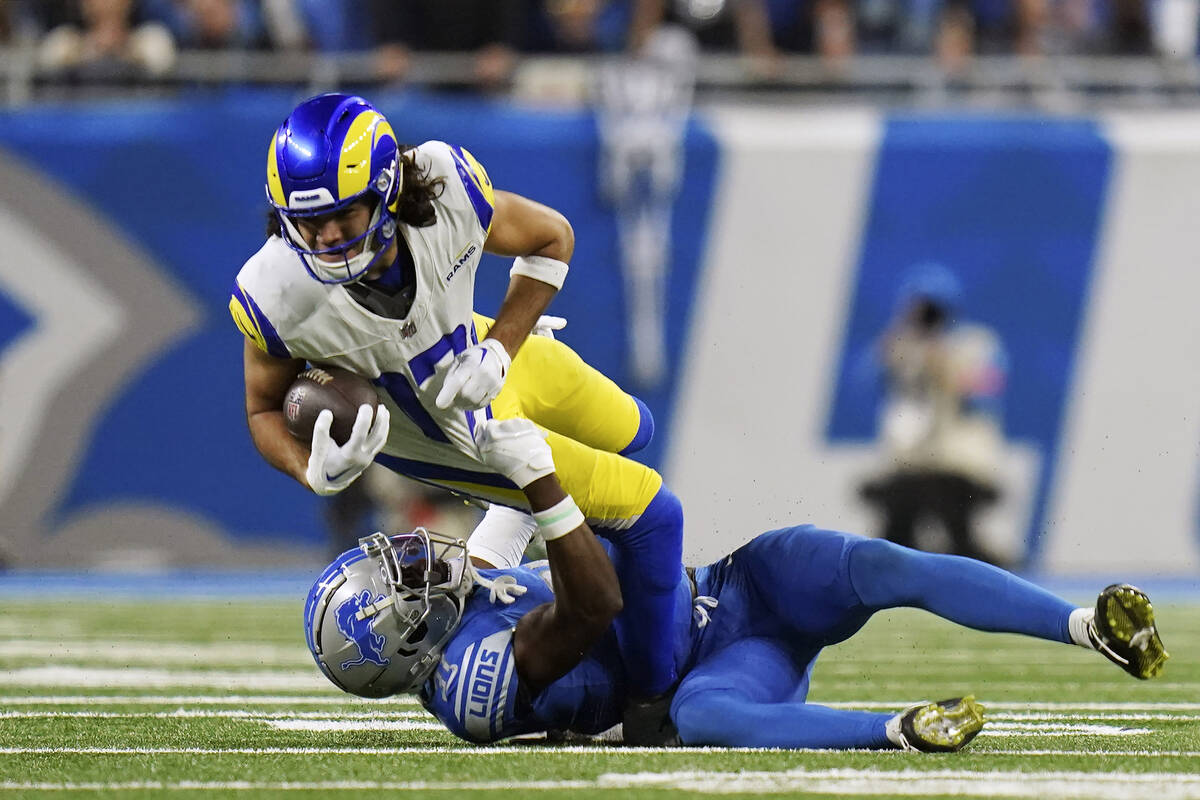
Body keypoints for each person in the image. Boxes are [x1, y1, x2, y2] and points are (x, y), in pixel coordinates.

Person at [304, 416, 1170, 750]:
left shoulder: (454, 616)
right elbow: (594, 600)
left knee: (876, 565)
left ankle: (1084, 625)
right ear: (409, 643)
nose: (413, 557)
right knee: (702, 718)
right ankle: (900, 730)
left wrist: (510, 424)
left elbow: (506, 532)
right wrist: (546, 491)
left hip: (733, 589)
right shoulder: (471, 685)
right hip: (700, 670)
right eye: (401, 584)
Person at [230, 93, 682, 713]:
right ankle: (653, 702)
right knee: (655, 516)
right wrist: (309, 470)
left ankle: (495, 552)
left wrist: (501, 345)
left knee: (637, 429)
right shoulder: (277, 292)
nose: (328, 238)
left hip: (487, 355)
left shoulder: (443, 187)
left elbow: (552, 238)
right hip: (455, 435)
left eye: (344, 215)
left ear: (387, 190)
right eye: (309, 224)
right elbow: (262, 410)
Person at [858, 263, 1010, 566]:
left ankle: (987, 573)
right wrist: (892, 352)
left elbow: (987, 389)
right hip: (910, 466)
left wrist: (945, 363)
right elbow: (865, 382)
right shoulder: (902, 348)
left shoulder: (972, 343)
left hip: (958, 465)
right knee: (894, 537)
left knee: (958, 536)